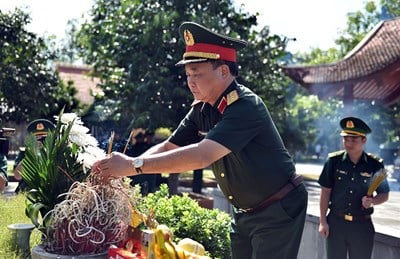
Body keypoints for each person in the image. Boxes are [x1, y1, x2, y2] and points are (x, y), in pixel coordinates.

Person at [94, 21, 308, 259]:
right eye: (188, 74)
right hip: (246, 211)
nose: (190, 82)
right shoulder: (202, 108)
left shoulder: (245, 106)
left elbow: (201, 155)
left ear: (224, 71)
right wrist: (124, 168)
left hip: (278, 208)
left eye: (197, 74)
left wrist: (134, 166)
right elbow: (168, 146)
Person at [318, 117, 390, 259]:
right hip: (336, 224)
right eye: (345, 139)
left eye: (353, 140)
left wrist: (372, 201)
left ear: (364, 140)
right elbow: (325, 192)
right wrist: (322, 222)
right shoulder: (333, 161)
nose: (348, 143)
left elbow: (384, 194)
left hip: (362, 226)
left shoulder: (375, 165)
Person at [13, 119, 55, 193]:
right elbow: (17, 176)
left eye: (44, 138)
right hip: (27, 191)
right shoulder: (24, 152)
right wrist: (31, 155)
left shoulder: (55, 151)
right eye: (37, 138)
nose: (40, 141)